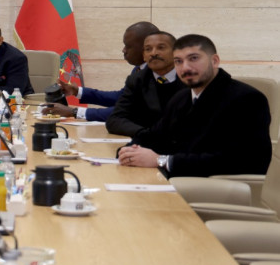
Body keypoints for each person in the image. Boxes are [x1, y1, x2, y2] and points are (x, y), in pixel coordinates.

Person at [118, 34, 272, 177]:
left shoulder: (246, 99)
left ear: (214, 61)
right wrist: (129, 151)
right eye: (178, 61)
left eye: (193, 58)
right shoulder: (181, 98)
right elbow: (155, 136)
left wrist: (162, 160)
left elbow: (239, 160)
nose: (185, 68)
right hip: (179, 178)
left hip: (219, 185)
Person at [43, 21, 159, 120]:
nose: (124, 50)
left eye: (128, 46)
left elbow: (129, 111)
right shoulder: (139, 69)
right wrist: (76, 91)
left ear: (146, 48)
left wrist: (74, 112)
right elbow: (121, 98)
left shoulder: (157, 75)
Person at [106, 31, 186, 137]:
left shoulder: (194, 79)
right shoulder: (137, 80)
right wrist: (145, 134)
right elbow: (115, 119)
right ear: (144, 56)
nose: (154, 53)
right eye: (148, 49)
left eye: (161, 48)